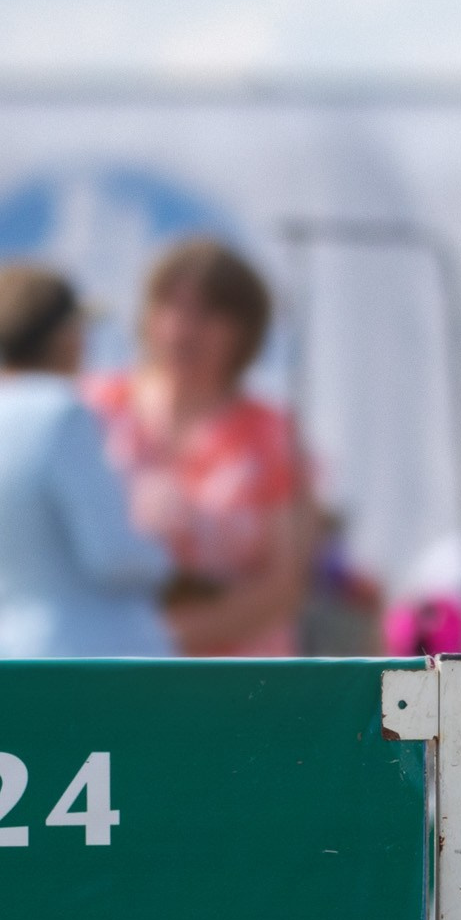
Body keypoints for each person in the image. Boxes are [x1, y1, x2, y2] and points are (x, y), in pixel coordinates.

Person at [88, 238, 313, 657]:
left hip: (235, 684)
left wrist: (162, 638)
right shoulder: (91, 411)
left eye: (208, 313)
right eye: (170, 307)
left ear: (245, 331)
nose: (182, 329)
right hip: (106, 670)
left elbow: (285, 584)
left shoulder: (272, 435)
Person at [0, 263, 173, 658]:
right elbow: (113, 556)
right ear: (64, 336)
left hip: (13, 657)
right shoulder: (62, 413)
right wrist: (167, 561)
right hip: (90, 663)